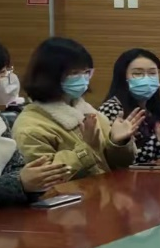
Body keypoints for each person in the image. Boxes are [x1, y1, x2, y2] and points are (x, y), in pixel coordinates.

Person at [12, 37, 144, 178]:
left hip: (105, 189)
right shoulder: (30, 127)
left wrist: (117, 142)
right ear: (49, 75)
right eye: (74, 73)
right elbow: (46, 178)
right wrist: (85, 148)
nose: (82, 79)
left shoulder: (89, 112)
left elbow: (117, 165)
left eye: (86, 72)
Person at [0, 40, 68, 206]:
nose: (8, 79)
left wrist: (34, 181)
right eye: (2, 73)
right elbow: (17, 181)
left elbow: (15, 169)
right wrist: (19, 183)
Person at [98, 49, 160, 165]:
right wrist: (159, 141)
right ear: (123, 77)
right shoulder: (112, 109)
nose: (146, 79)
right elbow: (121, 161)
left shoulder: (152, 109)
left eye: (152, 73)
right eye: (137, 73)